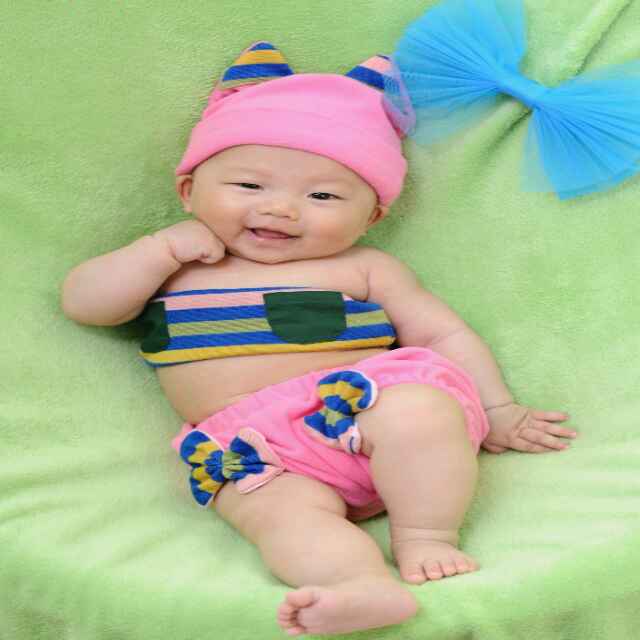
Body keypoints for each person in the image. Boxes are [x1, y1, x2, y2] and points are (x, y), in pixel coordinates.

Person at [61, 41, 577, 637]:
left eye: (323, 195)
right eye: (249, 185)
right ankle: (358, 585)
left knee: (418, 410)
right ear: (188, 191)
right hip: (258, 453)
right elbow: (85, 305)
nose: (282, 209)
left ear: (372, 216)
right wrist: (157, 250)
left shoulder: (362, 269)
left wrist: (499, 409)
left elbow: (442, 332)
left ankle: (426, 536)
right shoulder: (173, 266)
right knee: (280, 518)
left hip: (360, 410)